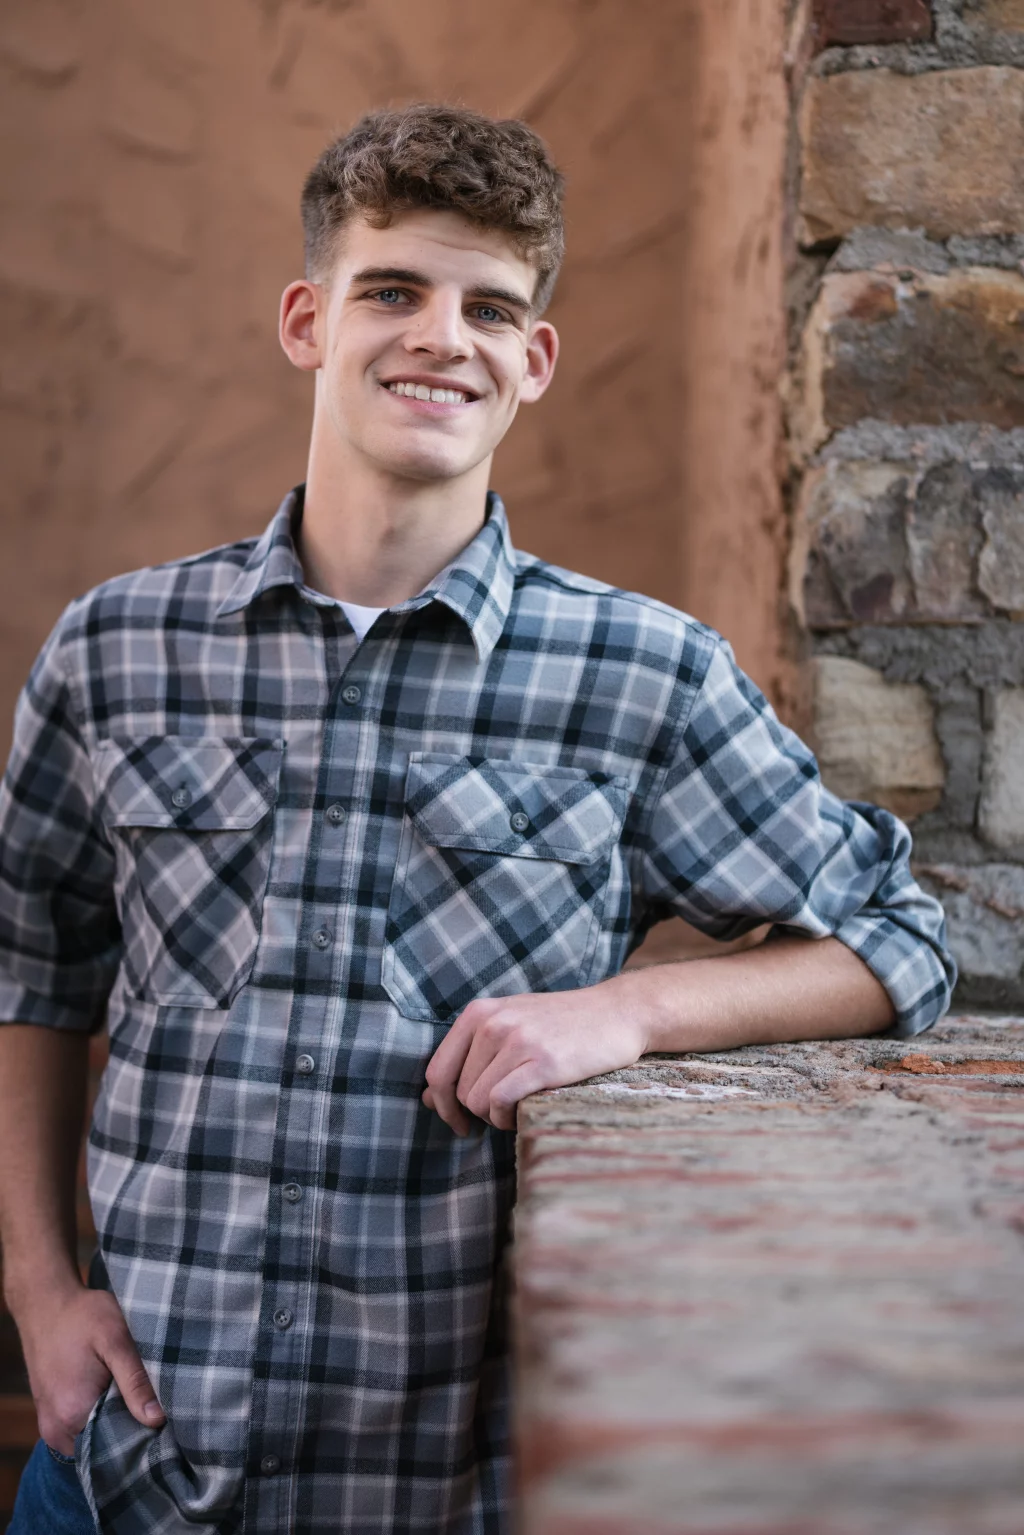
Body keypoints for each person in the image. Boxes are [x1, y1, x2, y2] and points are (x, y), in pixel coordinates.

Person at [0, 103, 954, 1535]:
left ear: (535, 360)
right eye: (394, 290)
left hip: (435, 1490)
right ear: (308, 319)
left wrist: (624, 1013)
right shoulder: (116, 648)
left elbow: (904, 940)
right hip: (123, 1469)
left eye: (490, 306)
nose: (441, 335)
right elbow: (36, 967)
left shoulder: (644, 676)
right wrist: (35, 1285)